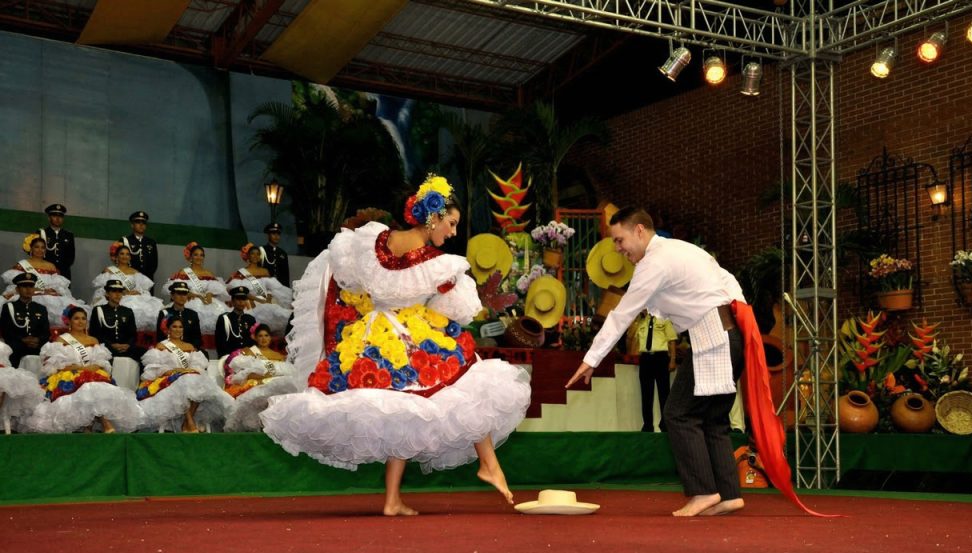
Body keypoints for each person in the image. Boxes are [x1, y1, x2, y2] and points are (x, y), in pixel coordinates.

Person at [260, 175, 531, 516]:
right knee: (469, 379)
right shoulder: (437, 262)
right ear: (433, 217)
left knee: (399, 413)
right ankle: (489, 465)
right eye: (450, 223)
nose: (452, 232)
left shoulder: (376, 240)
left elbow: (345, 276)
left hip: (373, 334)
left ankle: (393, 500)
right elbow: (459, 309)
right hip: (410, 333)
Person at [566, 207, 746, 517]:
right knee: (714, 419)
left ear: (639, 230)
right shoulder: (683, 250)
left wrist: (591, 358)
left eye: (620, 240)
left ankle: (703, 492)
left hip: (712, 338)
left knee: (678, 414)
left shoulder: (654, 262)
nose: (619, 249)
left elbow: (622, 314)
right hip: (731, 335)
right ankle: (729, 494)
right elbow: (728, 281)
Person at [24, 305, 141, 433]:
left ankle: (89, 425)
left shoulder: (93, 340)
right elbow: (56, 364)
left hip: (92, 373)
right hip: (69, 374)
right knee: (88, 385)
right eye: (76, 318)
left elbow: (101, 361)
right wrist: (81, 368)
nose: (80, 321)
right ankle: (103, 422)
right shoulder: (61, 340)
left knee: (95, 385)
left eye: (83, 318)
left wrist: (94, 367)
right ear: (69, 321)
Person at [136, 317, 233, 432]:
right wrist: (175, 371)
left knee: (198, 383)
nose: (178, 329)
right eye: (174, 327)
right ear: (168, 330)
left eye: (180, 327)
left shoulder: (189, 347)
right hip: (168, 379)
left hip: (188, 377)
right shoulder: (161, 346)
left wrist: (187, 372)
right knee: (187, 381)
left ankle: (187, 422)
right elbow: (155, 369)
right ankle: (189, 422)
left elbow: (197, 367)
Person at [222, 323, 299, 432]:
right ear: (255, 338)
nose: (264, 339)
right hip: (253, 383)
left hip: (274, 385)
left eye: (266, 335)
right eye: (260, 336)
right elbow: (244, 373)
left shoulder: (279, 356)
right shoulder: (249, 352)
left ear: (270, 338)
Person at [3, 234, 88, 326]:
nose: (40, 250)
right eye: (37, 247)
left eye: (43, 247)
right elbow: (18, 287)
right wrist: (42, 291)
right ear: (31, 248)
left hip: (51, 296)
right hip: (32, 296)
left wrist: (55, 291)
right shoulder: (22, 265)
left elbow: (59, 287)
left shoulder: (51, 266)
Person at [91, 242, 163, 332]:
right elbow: (102, 289)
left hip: (132, 298)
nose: (125, 256)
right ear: (116, 256)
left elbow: (144, 290)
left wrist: (138, 292)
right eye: (122, 254)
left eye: (127, 254)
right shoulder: (109, 270)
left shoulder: (135, 273)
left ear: (130, 257)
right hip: (114, 299)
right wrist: (122, 292)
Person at [163, 242, 229, 336]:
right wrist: (187, 293)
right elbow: (170, 288)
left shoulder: (208, 273)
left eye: (201, 255)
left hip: (207, 302)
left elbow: (219, 289)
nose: (199, 257)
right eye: (196, 255)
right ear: (191, 257)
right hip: (189, 301)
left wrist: (210, 293)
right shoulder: (183, 272)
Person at [227, 243, 292, 335]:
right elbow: (240, 291)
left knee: (278, 312)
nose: (255, 256)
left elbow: (272, 287)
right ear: (248, 256)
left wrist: (268, 297)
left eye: (258, 254)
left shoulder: (264, 271)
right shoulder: (242, 272)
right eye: (252, 253)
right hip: (251, 302)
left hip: (266, 299)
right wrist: (259, 300)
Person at [634, 310, 678, 432]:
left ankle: (665, 424)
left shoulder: (664, 318)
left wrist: (672, 360)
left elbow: (672, 340)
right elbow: (635, 340)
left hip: (661, 358)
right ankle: (647, 425)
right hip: (645, 358)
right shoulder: (641, 321)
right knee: (646, 393)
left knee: (664, 392)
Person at [0, 273, 50, 368]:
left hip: (37, 346)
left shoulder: (41, 308)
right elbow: (6, 331)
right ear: (17, 289)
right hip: (16, 347)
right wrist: (22, 340)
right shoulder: (9, 307)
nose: (28, 289)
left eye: (31, 286)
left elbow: (46, 332)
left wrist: (37, 339)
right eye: (24, 286)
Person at [89, 279, 144, 361]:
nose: (118, 294)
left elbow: (133, 334)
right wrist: (111, 345)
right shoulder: (98, 310)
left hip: (126, 348)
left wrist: (127, 345)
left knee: (144, 353)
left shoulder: (127, 311)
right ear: (107, 293)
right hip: (106, 348)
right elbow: (94, 333)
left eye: (120, 291)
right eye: (114, 291)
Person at [0, 338, 45, 433]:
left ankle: (7, 427)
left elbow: (6, 362)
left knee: (4, 393)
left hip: (3, 372)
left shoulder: (3, 346)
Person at [156, 281, 204, 353]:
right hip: (169, 351)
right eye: (179, 293)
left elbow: (197, 338)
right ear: (172, 296)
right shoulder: (165, 313)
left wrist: (193, 350)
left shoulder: (193, 314)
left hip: (189, 351)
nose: (182, 297)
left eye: (184, 294)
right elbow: (161, 336)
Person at [214, 286, 256, 357]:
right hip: (229, 357)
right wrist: (226, 358)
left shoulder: (250, 319)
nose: (241, 302)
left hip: (248, 357)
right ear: (233, 301)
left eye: (243, 299)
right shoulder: (224, 318)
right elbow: (220, 342)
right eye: (238, 299)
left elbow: (253, 341)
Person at [39, 204, 75, 280]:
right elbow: (36, 254)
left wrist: (60, 269)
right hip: (45, 272)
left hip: (63, 274)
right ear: (49, 218)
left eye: (60, 216)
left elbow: (71, 257)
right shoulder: (42, 233)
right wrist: (50, 268)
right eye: (54, 216)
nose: (58, 218)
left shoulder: (69, 235)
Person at [121, 211, 159, 282]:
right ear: (132, 225)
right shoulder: (125, 241)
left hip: (147, 281)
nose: (141, 224)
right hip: (129, 279)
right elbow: (121, 262)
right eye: (138, 222)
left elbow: (154, 264)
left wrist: (145, 279)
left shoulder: (151, 242)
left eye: (143, 222)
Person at [259, 223, 290, 288]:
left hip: (279, 288)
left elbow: (286, 276)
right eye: (273, 233)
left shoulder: (283, 253)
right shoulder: (261, 250)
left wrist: (287, 290)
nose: (276, 236)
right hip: (264, 287)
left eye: (278, 234)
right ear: (268, 235)